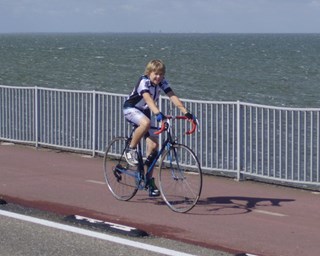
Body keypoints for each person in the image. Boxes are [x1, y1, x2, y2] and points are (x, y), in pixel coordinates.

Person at [123, 59, 195, 197]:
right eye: (156, 74)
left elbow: (172, 96)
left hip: (146, 111)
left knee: (154, 146)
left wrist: (186, 112)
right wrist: (158, 113)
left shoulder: (162, 82)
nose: (158, 77)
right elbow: (148, 99)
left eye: (161, 74)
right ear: (149, 73)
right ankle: (130, 149)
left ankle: (148, 180)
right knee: (145, 123)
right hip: (131, 108)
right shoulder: (143, 81)